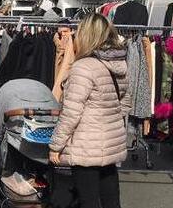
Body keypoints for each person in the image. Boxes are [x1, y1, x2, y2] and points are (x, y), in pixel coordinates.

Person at [49, 14, 130, 208]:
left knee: (88, 201)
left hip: (86, 145)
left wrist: (55, 145)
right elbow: (126, 102)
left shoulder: (83, 67)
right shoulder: (119, 64)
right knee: (111, 201)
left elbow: (71, 113)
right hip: (110, 142)